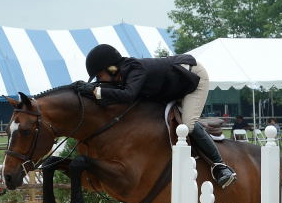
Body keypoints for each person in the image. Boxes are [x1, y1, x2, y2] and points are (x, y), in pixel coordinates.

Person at [81, 44, 236, 188]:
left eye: (99, 76)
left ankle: (220, 166)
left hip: (193, 79)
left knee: (187, 125)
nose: (98, 81)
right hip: (171, 87)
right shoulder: (122, 74)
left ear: (112, 69)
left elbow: (128, 95)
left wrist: (96, 91)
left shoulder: (136, 70)